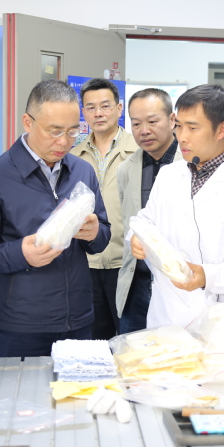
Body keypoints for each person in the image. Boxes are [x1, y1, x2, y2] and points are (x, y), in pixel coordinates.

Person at [0, 80, 111, 358]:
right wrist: (21, 254)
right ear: (28, 122)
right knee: (18, 388)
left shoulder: (83, 171)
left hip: (78, 319)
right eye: (54, 131)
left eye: (73, 131)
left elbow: (102, 235)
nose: (64, 141)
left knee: (77, 388)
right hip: (21, 325)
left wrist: (94, 233)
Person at [129, 84, 224, 328]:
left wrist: (208, 276)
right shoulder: (168, 175)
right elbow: (145, 220)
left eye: (193, 128)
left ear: (221, 130)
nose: (181, 136)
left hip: (217, 320)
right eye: (179, 126)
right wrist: (136, 237)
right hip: (165, 315)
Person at [70, 78, 138, 339]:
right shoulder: (73, 156)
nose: (98, 113)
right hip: (85, 264)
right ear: (83, 112)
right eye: (91, 107)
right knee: (93, 342)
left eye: (105, 106)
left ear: (119, 109)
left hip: (127, 264)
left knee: (130, 340)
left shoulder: (139, 151)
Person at [116, 88, 182, 333]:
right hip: (137, 283)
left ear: (172, 120)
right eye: (136, 124)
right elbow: (128, 223)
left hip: (178, 284)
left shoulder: (190, 164)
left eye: (152, 122)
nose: (144, 130)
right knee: (131, 351)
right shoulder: (126, 170)